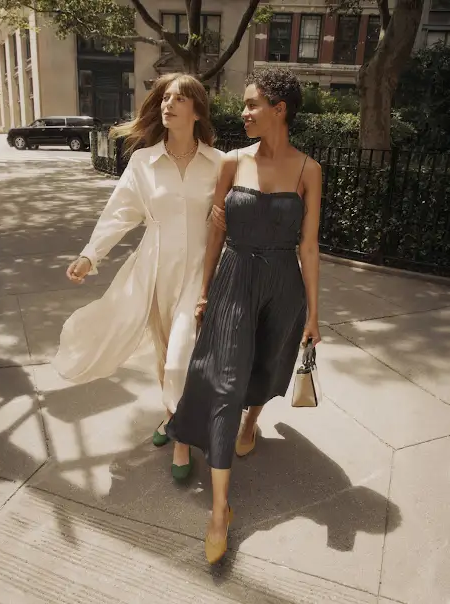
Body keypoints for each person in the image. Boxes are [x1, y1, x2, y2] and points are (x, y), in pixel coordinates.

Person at [166, 65, 322, 564]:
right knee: (225, 380)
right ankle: (218, 513)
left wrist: (315, 315)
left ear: (280, 109)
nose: (244, 112)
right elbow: (216, 231)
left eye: (254, 104)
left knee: (268, 366)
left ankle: (252, 423)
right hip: (235, 278)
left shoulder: (308, 170)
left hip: (283, 284)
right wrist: (205, 290)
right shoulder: (232, 162)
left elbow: (311, 247)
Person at [52, 73, 223, 477]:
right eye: (164, 98)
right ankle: (170, 415)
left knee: (183, 354)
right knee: (165, 354)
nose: (168, 104)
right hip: (155, 268)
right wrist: (89, 255)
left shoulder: (218, 162)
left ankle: (182, 442)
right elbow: (121, 213)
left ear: (196, 109)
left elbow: (232, 215)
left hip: (200, 271)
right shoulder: (144, 161)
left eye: (179, 99)